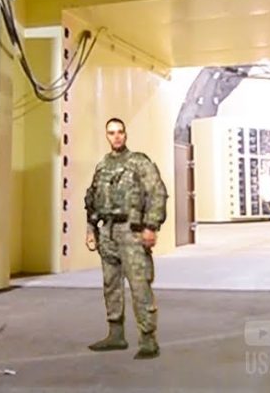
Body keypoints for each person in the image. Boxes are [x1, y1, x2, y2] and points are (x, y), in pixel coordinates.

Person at [83, 117, 169, 359]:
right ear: (107, 136)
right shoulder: (102, 166)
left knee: (140, 286)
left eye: (120, 132)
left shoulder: (139, 163)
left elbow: (157, 193)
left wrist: (151, 226)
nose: (116, 136)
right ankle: (116, 335)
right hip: (107, 232)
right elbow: (92, 199)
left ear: (126, 134)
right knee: (111, 285)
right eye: (111, 132)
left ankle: (148, 340)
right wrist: (91, 229)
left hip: (132, 233)